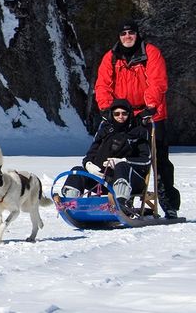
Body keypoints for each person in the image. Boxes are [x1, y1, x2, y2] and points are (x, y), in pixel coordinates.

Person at [93, 18, 180, 218]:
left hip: (151, 114)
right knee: (118, 154)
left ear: (137, 34)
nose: (127, 37)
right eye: (123, 34)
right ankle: (122, 196)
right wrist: (107, 108)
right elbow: (103, 84)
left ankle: (169, 203)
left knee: (159, 160)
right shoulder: (111, 57)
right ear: (119, 37)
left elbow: (157, 82)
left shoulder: (151, 53)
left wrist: (150, 107)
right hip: (124, 114)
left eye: (131, 33)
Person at [61, 98, 151, 216]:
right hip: (103, 180)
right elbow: (89, 155)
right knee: (77, 171)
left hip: (131, 181)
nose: (120, 117)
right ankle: (70, 204)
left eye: (124, 113)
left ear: (129, 115)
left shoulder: (138, 133)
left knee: (122, 166)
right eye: (116, 114)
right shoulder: (105, 132)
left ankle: (121, 204)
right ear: (111, 115)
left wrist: (123, 161)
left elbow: (146, 160)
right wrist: (88, 165)